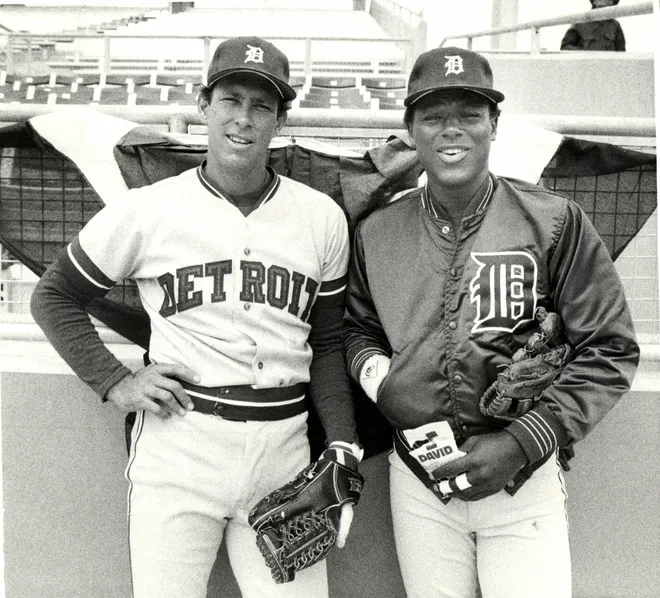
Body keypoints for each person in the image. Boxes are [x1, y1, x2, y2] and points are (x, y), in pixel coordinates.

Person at [31, 36, 362, 598]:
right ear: (204, 105)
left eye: (262, 106)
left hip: (284, 449)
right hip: (181, 447)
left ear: (281, 120)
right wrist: (114, 381)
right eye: (231, 99)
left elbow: (327, 341)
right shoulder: (148, 210)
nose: (244, 119)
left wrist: (344, 445)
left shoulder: (321, 218)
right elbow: (54, 296)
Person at [342, 46, 639, 597]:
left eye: (470, 116)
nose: (451, 131)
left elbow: (610, 348)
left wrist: (524, 441)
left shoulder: (551, 221)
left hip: (521, 476)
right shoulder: (377, 230)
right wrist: (385, 383)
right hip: (420, 475)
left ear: (494, 124)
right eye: (432, 117)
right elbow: (357, 329)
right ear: (410, 128)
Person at [561, 0, 626, 51]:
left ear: (612, 3)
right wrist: (585, 54)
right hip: (585, 66)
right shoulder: (579, 22)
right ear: (594, 1)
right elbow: (565, 47)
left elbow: (621, 53)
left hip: (608, 66)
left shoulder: (615, 25)